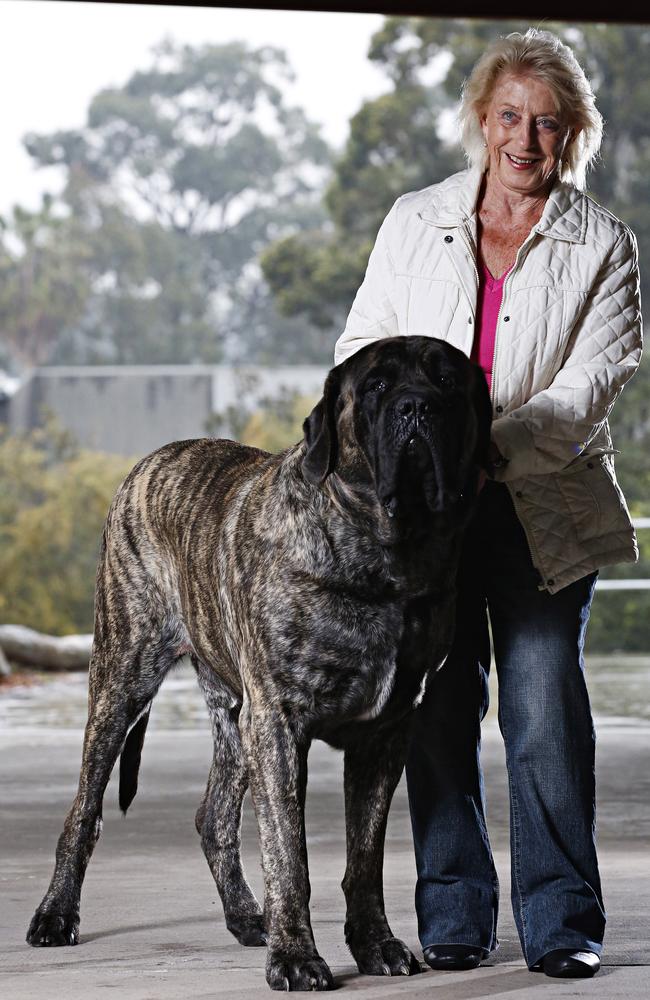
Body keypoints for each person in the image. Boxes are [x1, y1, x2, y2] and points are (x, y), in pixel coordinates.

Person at [334, 28, 642, 980]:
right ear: (481, 119)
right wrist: (386, 462)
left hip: (544, 509)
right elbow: (363, 349)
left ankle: (561, 924)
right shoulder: (414, 219)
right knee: (436, 708)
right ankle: (454, 916)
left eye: (547, 125)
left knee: (544, 711)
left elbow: (586, 389)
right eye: (509, 117)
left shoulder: (608, 246)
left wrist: (481, 451)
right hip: (426, 519)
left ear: (572, 137)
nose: (525, 140)